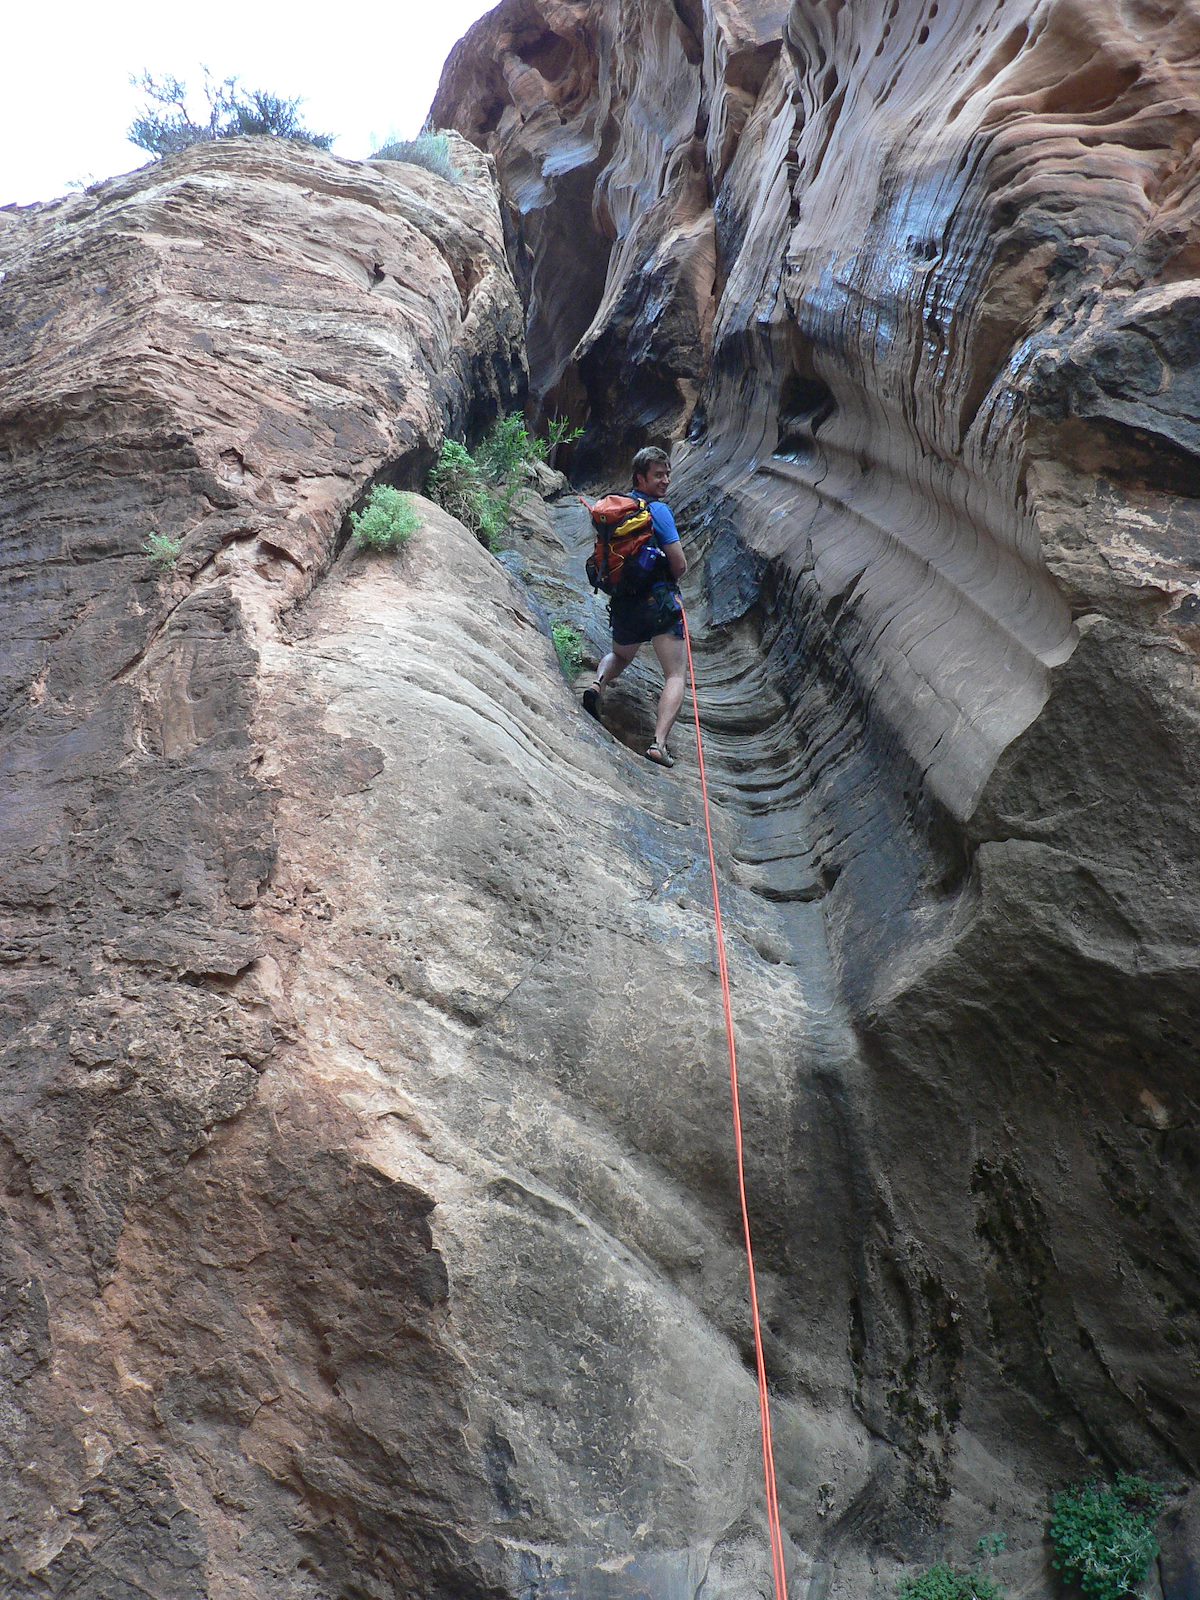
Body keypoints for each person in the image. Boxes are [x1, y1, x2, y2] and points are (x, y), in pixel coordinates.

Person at [583, 445, 688, 767]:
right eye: (658, 475)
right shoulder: (658, 512)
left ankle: (597, 684)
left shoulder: (617, 510)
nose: (665, 480)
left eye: (667, 473)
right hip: (658, 602)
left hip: (624, 602)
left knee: (621, 654)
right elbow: (679, 564)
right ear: (640, 477)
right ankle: (658, 744)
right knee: (675, 674)